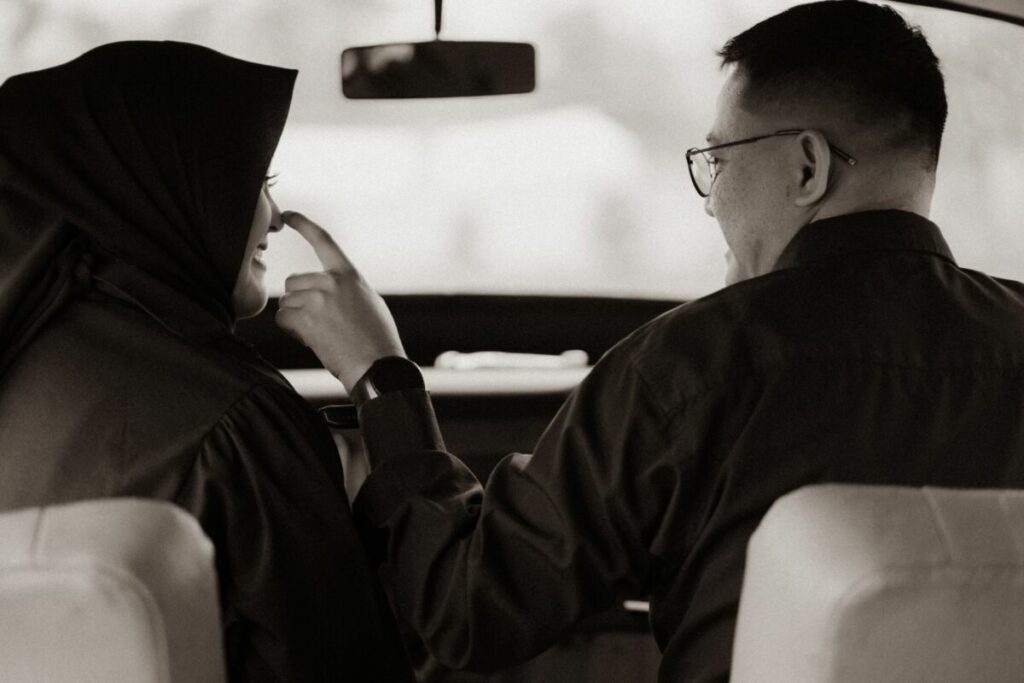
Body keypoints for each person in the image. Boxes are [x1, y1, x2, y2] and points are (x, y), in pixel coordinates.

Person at [277, 1, 1024, 681]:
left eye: (718, 161)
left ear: (807, 166)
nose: (709, 202)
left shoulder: (688, 368)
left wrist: (379, 373)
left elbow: (470, 611)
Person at [0, 42, 414, 682]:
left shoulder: (18, 357)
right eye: (257, 182)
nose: (275, 219)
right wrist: (384, 377)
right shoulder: (235, 422)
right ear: (164, 185)